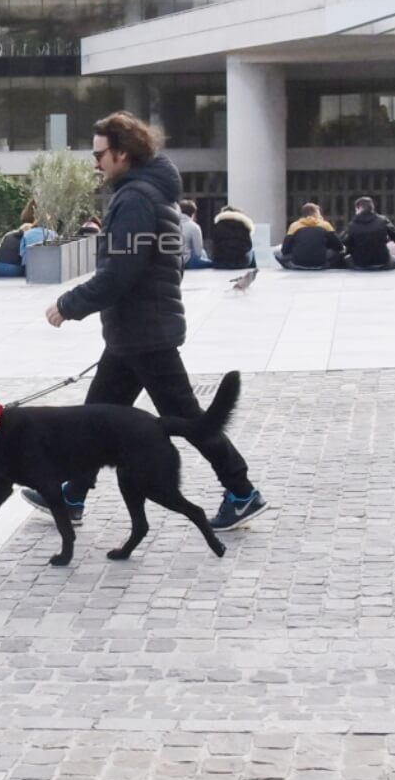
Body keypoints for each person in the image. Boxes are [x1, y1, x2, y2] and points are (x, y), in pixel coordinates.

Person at [25, 110, 269, 532]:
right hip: (134, 333)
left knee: (189, 419)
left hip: (144, 334)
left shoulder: (136, 199)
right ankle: (72, 495)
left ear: (123, 153)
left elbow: (120, 271)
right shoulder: (155, 195)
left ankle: (241, 491)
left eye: (99, 154)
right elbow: (170, 264)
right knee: (95, 420)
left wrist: (69, 304)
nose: (96, 163)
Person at [343, 196, 395, 270]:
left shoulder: (351, 225)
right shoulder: (383, 220)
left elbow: (345, 244)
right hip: (382, 262)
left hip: (360, 264)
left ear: (359, 208)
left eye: (355, 210)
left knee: (345, 259)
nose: (355, 212)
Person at [275, 203, 344, 270]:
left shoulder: (294, 226)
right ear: (315, 213)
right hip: (320, 263)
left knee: (276, 252)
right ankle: (329, 265)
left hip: (298, 263)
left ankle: (292, 266)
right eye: (319, 213)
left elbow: (284, 250)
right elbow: (339, 247)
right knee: (338, 252)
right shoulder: (325, 225)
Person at [179, 199, 213, 269]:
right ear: (193, 213)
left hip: (172, 260)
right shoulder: (194, 227)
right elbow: (198, 252)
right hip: (186, 261)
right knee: (209, 260)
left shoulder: (171, 223)